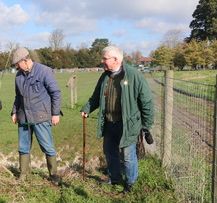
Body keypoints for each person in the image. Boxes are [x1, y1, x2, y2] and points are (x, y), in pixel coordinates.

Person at [80, 45, 154, 193]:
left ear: (115, 59)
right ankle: (115, 178)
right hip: (109, 123)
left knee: (128, 156)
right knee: (110, 152)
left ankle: (130, 184)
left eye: (104, 58)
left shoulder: (134, 76)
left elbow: (147, 102)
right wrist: (87, 108)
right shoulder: (105, 77)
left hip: (128, 124)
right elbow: (96, 97)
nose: (102, 61)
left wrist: (146, 125)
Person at [11, 47, 62, 185]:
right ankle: (23, 174)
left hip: (41, 117)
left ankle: (54, 175)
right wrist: (14, 111)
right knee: (23, 147)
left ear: (26, 60)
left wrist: (55, 113)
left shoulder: (45, 71)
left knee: (47, 146)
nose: (16, 67)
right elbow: (18, 96)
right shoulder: (19, 76)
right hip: (24, 117)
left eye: (17, 64)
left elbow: (56, 93)